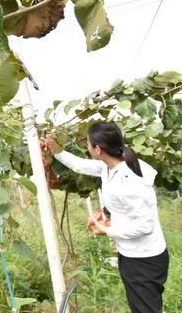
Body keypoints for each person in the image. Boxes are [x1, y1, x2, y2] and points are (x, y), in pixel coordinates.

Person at [42, 121, 169, 313]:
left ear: (98, 149)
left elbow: (145, 226)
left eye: (88, 143)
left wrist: (106, 230)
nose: (86, 146)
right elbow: (81, 166)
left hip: (144, 260)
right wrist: (56, 151)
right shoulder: (112, 165)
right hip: (132, 254)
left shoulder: (129, 182)